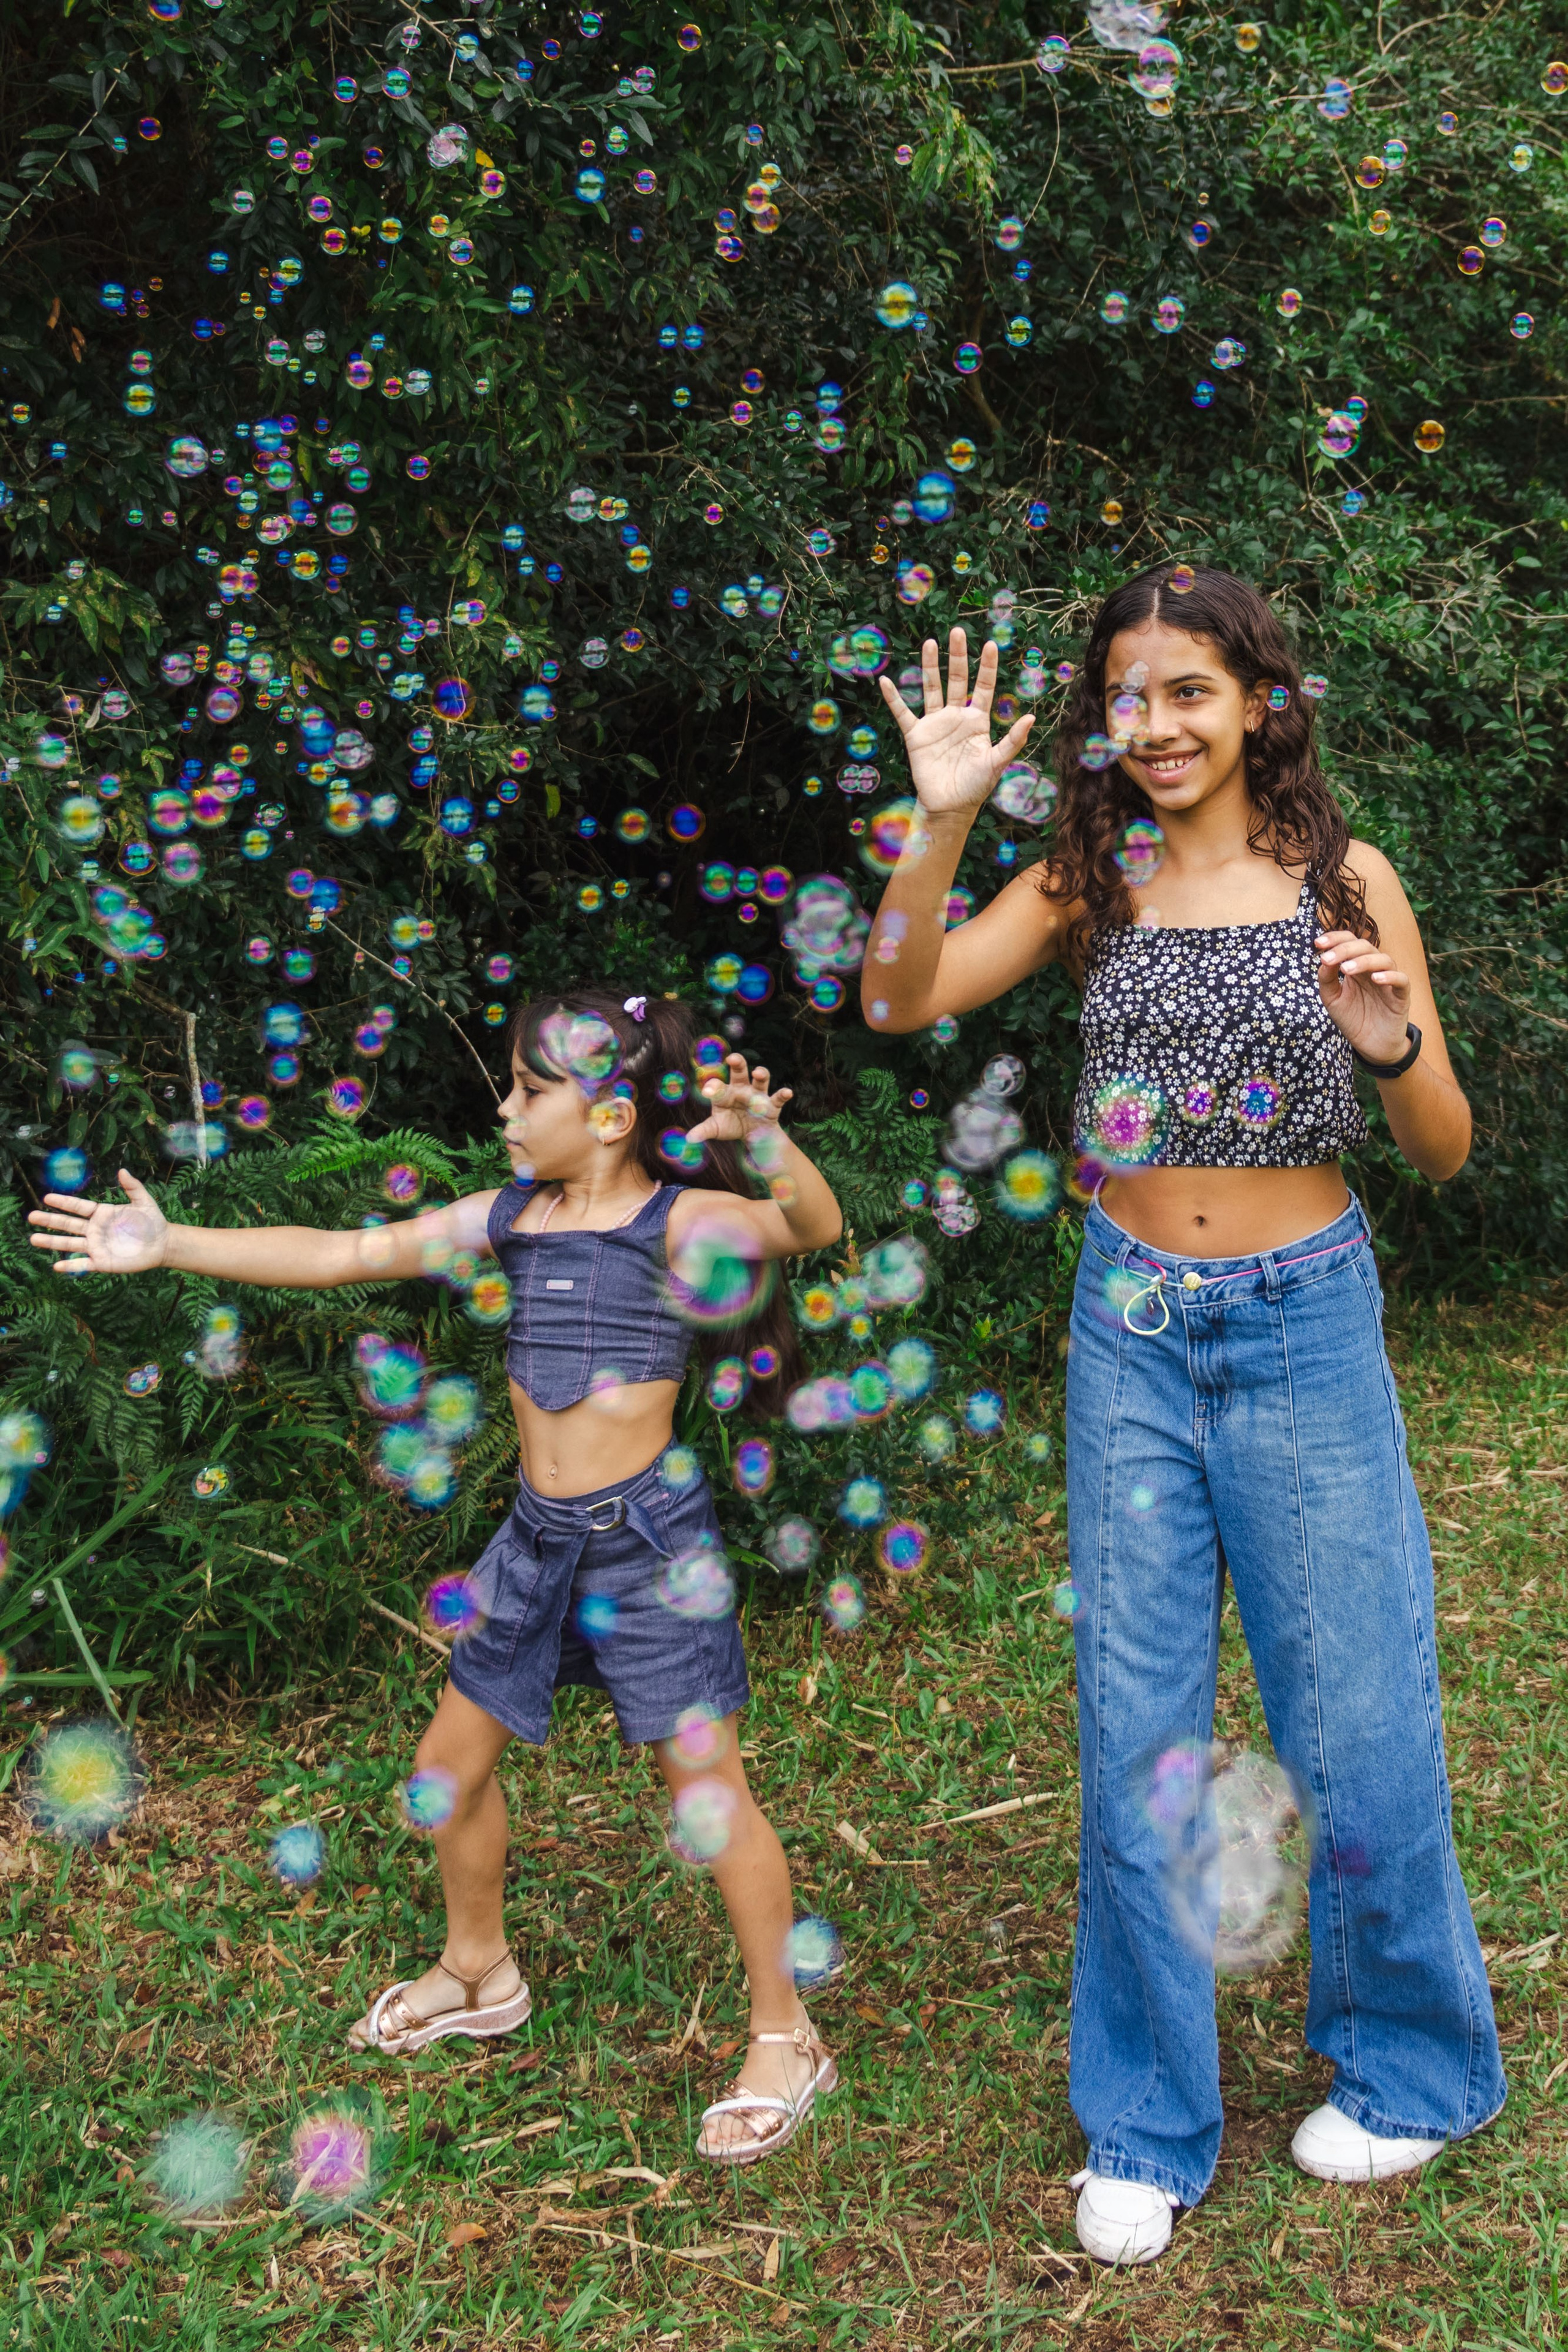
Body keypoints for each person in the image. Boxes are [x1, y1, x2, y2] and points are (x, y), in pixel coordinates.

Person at [861, 567, 1504, 2263]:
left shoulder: (1346, 881)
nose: (1154, 729)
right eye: (1128, 699)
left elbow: (1441, 1149)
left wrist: (1387, 1041)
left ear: (1260, 704)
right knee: (1135, 1724)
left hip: (1304, 1323)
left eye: (1191, 694)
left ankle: (1413, 2072)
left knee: (1355, 1714)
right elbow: (899, 999)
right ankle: (1144, 2119)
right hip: (1132, 1323)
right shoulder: (1095, 876)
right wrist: (938, 824)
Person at [29, 990, 845, 2168]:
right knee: (444, 1777)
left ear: (610, 1115)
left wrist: (760, 1136)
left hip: (649, 1549)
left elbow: (807, 1225)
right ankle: (479, 1971)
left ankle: (785, 2031)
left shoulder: (682, 1224)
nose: (504, 1107)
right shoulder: (510, 1216)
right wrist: (170, 1243)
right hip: (535, 1544)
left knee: (706, 1795)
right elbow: (348, 1252)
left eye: (527, 1089)